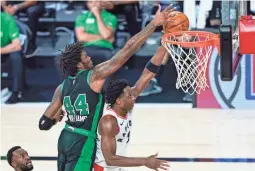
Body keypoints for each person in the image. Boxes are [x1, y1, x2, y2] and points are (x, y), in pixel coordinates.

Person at [38, 4, 175, 171]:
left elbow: (44, 123)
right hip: (83, 142)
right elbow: (128, 49)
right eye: (86, 57)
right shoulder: (93, 76)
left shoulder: (62, 87)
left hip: (65, 137)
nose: (90, 58)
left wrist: (55, 119)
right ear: (79, 65)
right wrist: (153, 24)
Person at [93, 46, 169, 171]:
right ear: (119, 101)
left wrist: (164, 46)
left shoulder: (125, 104)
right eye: (129, 96)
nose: (133, 97)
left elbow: (148, 73)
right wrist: (145, 161)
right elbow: (110, 159)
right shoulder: (108, 121)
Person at [75, 0, 117, 65]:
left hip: (104, 48)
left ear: (100, 2)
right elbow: (81, 37)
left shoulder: (111, 17)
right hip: (85, 48)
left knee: (109, 57)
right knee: (63, 57)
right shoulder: (81, 17)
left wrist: (97, 15)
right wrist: (101, 37)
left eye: (96, 1)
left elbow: (105, 35)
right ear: (87, 4)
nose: (94, 4)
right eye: (91, 2)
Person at [1, 12, 23, 104]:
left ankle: (16, 92)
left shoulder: (7, 19)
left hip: (5, 50)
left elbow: (17, 45)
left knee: (16, 56)